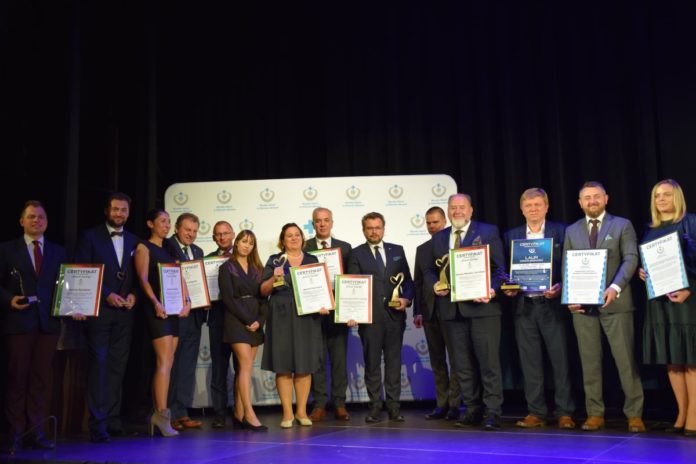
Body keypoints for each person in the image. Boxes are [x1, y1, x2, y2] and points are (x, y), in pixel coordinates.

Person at [564, 181, 645, 433]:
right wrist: (569, 297)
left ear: (606, 198)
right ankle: (595, 413)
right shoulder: (572, 230)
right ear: (580, 203)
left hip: (617, 304)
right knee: (589, 362)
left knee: (625, 361)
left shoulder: (622, 225)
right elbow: (567, 265)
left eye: (596, 196)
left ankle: (634, 414)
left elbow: (631, 258)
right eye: (587, 197)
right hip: (583, 308)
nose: (592, 201)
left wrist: (615, 287)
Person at [425, 193, 507, 431]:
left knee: (489, 364)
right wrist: (434, 284)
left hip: (483, 309)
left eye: (462, 207)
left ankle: (493, 412)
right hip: (452, 311)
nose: (457, 211)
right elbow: (429, 270)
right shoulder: (439, 237)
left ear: (471, 210)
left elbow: (500, 269)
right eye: (453, 207)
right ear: (448, 211)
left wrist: (492, 290)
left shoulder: (488, 231)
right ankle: (472, 410)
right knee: (462, 366)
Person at [503, 188, 575, 429]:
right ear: (521, 209)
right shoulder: (511, 236)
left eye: (537, 204)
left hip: (551, 305)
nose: (533, 209)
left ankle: (565, 412)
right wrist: (508, 287)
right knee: (530, 362)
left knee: (560, 361)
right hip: (524, 306)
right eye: (528, 205)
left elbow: (570, 265)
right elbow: (502, 269)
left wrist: (561, 286)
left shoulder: (562, 231)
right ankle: (536, 412)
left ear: (546, 207)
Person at [0, 201, 66, 454]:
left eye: (40, 217)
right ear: (22, 221)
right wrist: (9, 300)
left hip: (48, 324)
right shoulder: (7, 249)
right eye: (31, 217)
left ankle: (36, 432)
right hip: (19, 322)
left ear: (46, 222)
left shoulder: (58, 251)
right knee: (17, 379)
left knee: (40, 380)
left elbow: (67, 285)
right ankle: (15, 434)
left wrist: (75, 306)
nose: (36, 220)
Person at [74, 192, 139, 443]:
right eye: (115, 209)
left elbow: (138, 276)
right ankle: (97, 423)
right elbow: (82, 271)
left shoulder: (134, 240)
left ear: (128, 213)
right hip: (99, 312)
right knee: (99, 367)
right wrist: (106, 294)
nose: (119, 214)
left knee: (117, 367)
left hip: (124, 315)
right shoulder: (89, 236)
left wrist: (133, 295)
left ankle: (112, 419)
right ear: (106, 211)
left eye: (123, 210)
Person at [639, 179, 696, 436]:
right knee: (672, 360)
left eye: (666, 194)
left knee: (690, 359)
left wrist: (690, 290)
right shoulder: (651, 229)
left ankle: (694, 415)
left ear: (678, 197)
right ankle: (681, 413)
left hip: (686, 300)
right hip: (661, 302)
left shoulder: (690, 222)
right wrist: (643, 272)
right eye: (657, 195)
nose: (661, 199)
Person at [347, 212, 414, 423]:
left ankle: (394, 408)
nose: (374, 231)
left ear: (383, 228)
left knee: (394, 364)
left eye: (377, 227)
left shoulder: (397, 250)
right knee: (372, 364)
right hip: (370, 319)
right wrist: (352, 312)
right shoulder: (356, 253)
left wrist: (406, 299)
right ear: (363, 230)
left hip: (395, 317)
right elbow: (352, 285)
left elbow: (408, 281)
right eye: (369, 228)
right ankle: (375, 407)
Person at [134, 208, 191, 437]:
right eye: (162, 221)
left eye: (169, 222)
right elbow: (143, 279)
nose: (166, 225)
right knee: (164, 362)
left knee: (169, 361)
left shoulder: (169, 248)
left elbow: (180, 277)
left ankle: (159, 414)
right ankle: (161, 414)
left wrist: (187, 301)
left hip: (173, 310)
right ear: (150, 223)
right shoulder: (143, 247)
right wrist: (156, 302)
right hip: (157, 311)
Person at [260, 223, 323, 428]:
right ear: (282, 240)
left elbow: (320, 288)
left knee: (304, 365)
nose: (294, 238)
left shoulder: (312, 260)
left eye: (297, 235)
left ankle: (301, 411)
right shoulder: (274, 260)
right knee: (283, 365)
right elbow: (263, 290)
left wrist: (324, 304)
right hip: (281, 314)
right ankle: (287, 413)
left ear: (302, 238)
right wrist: (274, 277)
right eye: (289, 235)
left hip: (306, 314)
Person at [413, 206, 461, 421]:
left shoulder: (455, 245)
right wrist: (417, 311)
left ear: (445, 222)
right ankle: (442, 404)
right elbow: (418, 283)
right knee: (437, 361)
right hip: (430, 312)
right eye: (429, 223)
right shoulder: (422, 249)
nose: (432, 226)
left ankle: (455, 404)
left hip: (453, 311)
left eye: (436, 222)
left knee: (457, 360)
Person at [305, 207, 353, 422]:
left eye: (326, 220)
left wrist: (351, 310)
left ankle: (340, 403)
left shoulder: (345, 247)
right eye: (318, 221)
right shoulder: (304, 247)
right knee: (316, 361)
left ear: (332, 222)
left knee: (339, 360)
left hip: (338, 314)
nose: (322, 224)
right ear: (313, 224)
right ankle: (319, 404)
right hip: (313, 313)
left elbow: (351, 280)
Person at [219, 230, 268, 431]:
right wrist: (249, 320)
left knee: (243, 368)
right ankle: (249, 413)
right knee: (246, 364)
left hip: (255, 322)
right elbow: (228, 299)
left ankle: (238, 414)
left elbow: (264, 299)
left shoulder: (258, 268)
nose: (247, 246)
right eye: (244, 241)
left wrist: (259, 321)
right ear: (236, 243)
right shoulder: (226, 267)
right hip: (236, 320)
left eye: (251, 243)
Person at [165, 212, 205, 430]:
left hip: (194, 315)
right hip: (175, 315)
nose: (191, 234)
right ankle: (168, 412)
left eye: (195, 231)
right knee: (171, 365)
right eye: (187, 230)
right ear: (177, 229)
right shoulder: (167, 247)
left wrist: (205, 298)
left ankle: (182, 411)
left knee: (187, 365)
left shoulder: (198, 251)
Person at [206, 221, 235, 428]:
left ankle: (241, 411)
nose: (222, 237)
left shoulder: (244, 256)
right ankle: (219, 413)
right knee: (219, 367)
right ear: (214, 238)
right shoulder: (208, 260)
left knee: (242, 368)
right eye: (218, 234)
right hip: (217, 319)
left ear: (233, 234)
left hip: (239, 320)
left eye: (226, 233)